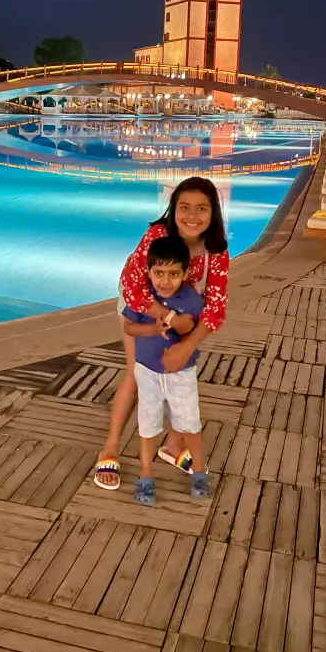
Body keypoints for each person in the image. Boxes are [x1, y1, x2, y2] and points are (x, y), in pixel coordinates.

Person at [94, 176, 229, 491]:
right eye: (184, 207)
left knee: (181, 375)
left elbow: (216, 308)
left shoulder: (215, 251)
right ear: (173, 209)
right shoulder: (157, 235)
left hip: (185, 316)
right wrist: (167, 317)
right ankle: (110, 447)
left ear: (213, 213)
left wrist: (187, 344)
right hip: (142, 308)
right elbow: (132, 284)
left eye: (201, 209)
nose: (192, 216)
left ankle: (171, 446)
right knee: (137, 373)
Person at [122, 236, 210, 505]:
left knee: (189, 422)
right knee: (148, 423)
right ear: (148, 271)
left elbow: (197, 330)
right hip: (146, 371)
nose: (165, 280)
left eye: (173, 274)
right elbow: (128, 328)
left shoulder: (192, 300)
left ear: (185, 273)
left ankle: (199, 470)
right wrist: (152, 328)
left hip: (181, 374)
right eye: (158, 273)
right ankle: (145, 475)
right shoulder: (143, 298)